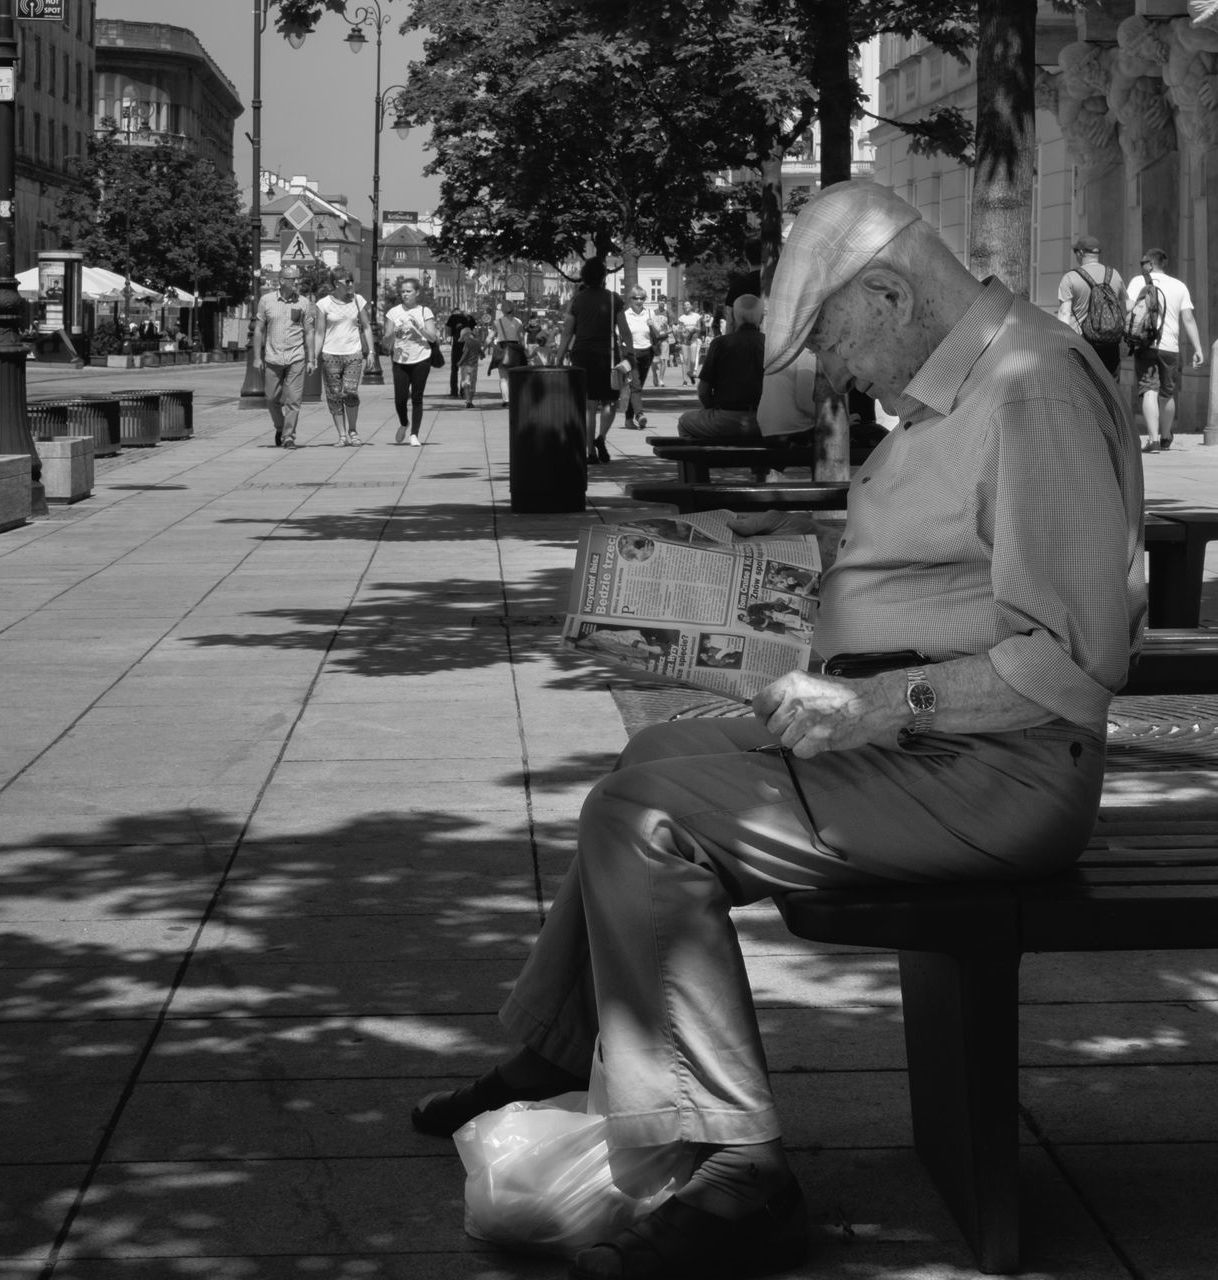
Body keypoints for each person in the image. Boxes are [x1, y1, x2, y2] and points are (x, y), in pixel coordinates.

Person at [410, 181, 1146, 1280]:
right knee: (651, 758)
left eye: (831, 341)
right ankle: (561, 1047)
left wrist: (870, 703)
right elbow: (944, 568)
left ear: (891, 292)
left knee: (646, 811)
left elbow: (1070, 665)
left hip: (995, 772)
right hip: (936, 748)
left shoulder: (1028, 387)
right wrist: (783, 551)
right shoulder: (973, 387)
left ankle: (731, 1166)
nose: (831, 373)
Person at [554, 256, 636, 465]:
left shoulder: (577, 301)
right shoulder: (613, 299)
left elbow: (566, 333)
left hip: (582, 356)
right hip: (608, 357)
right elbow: (625, 331)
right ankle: (601, 438)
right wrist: (630, 354)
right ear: (603, 277)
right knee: (609, 401)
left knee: (588, 404)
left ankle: (590, 451)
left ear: (584, 277)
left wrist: (559, 358)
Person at [1125, 247, 1206, 452]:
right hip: (1170, 347)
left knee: (1149, 390)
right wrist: (1198, 348)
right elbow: (1188, 319)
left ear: (1151, 264)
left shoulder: (1138, 281)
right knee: (1167, 393)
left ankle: (1152, 439)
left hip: (1145, 344)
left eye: (1144, 262)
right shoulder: (1179, 286)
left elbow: (1129, 309)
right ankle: (1166, 436)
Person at [677, 294, 765, 439]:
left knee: (685, 422)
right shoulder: (770, 344)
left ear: (734, 317)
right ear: (761, 318)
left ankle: (702, 461)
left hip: (726, 417)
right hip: (763, 420)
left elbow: (704, 390)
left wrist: (712, 408)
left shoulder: (721, 344)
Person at [313, 267, 377, 447]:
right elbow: (319, 333)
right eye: (347, 281)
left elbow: (366, 326)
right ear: (336, 283)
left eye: (351, 280)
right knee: (334, 395)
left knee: (350, 392)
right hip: (330, 355)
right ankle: (341, 435)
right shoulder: (323, 304)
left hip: (353, 354)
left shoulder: (358, 300)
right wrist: (313, 358)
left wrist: (371, 352)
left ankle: (353, 430)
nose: (351, 284)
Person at [252, 265, 313, 449]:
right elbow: (259, 329)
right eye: (292, 279)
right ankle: (280, 426)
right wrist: (257, 357)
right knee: (271, 398)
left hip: (296, 357)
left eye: (297, 278)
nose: (296, 282)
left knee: (293, 400)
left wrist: (311, 359)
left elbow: (309, 332)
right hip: (273, 357)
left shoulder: (303, 302)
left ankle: (288, 437)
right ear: (282, 281)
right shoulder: (267, 301)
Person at [1057, 235, 1126, 377]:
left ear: (1081, 253)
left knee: (1085, 389)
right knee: (1111, 388)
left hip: (1081, 343)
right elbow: (1126, 305)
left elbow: (1064, 313)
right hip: (1110, 344)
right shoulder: (1115, 275)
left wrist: (1061, 342)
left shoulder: (1070, 277)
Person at [383, 277, 438, 446]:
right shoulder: (393, 312)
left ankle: (414, 434)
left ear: (417, 293)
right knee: (400, 399)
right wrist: (394, 332)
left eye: (409, 291)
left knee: (417, 397)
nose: (405, 294)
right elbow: (386, 341)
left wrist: (419, 327)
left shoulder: (425, 311)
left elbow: (433, 337)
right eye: (403, 292)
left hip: (421, 358)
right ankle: (404, 423)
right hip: (400, 360)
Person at [621, 288, 655, 430]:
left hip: (647, 351)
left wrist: (653, 326)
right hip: (630, 353)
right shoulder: (624, 315)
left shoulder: (649, 313)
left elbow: (656, 333)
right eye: (636, 298)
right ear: (630, 299)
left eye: (642, 298)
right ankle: (639, 415)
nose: (639, 301)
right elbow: (620, 335)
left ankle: (628, 420)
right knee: (635, 384)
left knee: (637, 387)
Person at [492, 300, 528, 406]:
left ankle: (506, 400)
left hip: (502, 348)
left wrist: (493, 347)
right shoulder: (518, 322)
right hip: (515, 349)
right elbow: (521, 339)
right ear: (512, 310)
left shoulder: (497, 322)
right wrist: (524, 350)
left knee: (503, 377)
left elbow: (489, 338)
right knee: (514, 376)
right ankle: (514, 398)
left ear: (502, 310)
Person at [445, 302, 474, 398]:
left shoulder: (452, 318)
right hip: (467, 346)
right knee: (465, 369)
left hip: (456, 346)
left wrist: (451, 336)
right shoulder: (469, 318)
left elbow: (448, 332)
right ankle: (463, 392)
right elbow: (473, 331)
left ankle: (454, 392)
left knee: (454, 370)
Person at [457, 319, 485, 408]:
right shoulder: (477, 342)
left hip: (465, 365)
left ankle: (468, 400)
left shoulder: (467, 342)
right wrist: (481, 356)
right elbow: (482, 353)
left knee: (465, 383)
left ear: (465, 336)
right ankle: (470, 401)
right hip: (474, 366)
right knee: (472, 384)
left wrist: (460, 362)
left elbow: (465, 353)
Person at [677, 299, 703, 384]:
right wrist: (683, 333)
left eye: (688, 305)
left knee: (693, 361)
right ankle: (685, 380)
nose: (686, 306)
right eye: (685, 305)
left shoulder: (696, 316)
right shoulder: (681, 318)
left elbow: (699, 329)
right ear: (683, 307)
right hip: (685, 341)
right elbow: (680, 330)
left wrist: (694, 329)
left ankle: (691, 374)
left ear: (691, 306)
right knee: (685, 360)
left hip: (694, 340)